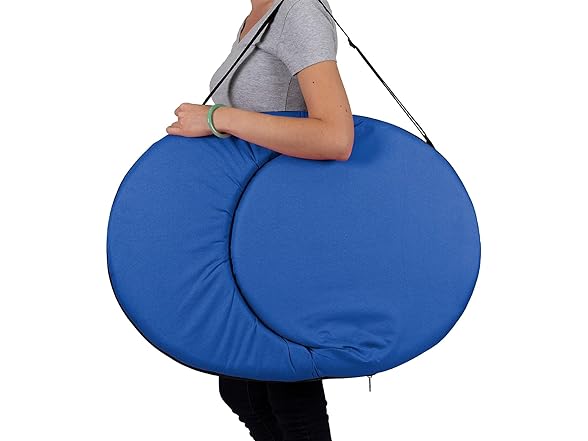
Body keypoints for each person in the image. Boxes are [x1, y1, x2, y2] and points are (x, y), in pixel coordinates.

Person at [166, 1, 353, 439]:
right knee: (242, 389)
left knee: (286, 387)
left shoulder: (297, 12)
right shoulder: (259, 14)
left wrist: (217, 117)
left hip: (285, 228)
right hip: (248, 228)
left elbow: (335, 136)